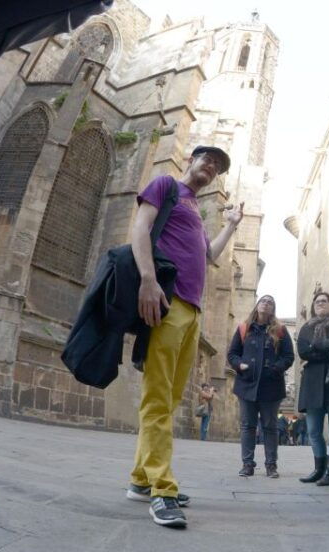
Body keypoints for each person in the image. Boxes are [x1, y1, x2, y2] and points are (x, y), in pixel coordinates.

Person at [124, 145, 241, 529]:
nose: (212, 167)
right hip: (167, 301)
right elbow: (140, 227)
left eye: (219, 166)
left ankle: (141, 479)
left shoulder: (193, 208)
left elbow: (209, 255)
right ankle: (162, 489)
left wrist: (233, 225)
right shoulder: (165, 186)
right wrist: (147, 278)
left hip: (192, 312)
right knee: (158, 396)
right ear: (192, 160)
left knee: (171, 398)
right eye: (207, 159)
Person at [228, 295, 294, 479]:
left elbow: (289, 356)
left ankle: (271, 465)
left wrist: (276, 369)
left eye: (271, 302)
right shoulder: (243, 329)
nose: (266, 303)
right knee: (247, 425)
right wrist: (240, 365)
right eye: (263, 301)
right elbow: (232, 353)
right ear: (257, 306)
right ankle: (247, 464)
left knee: (270, 426)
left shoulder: (280, 330)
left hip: (271, 386)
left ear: (273, 309)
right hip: (247, 384)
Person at [297, 291, 329, 486]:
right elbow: (303, 351)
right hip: (312, 382)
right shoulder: (306, 328)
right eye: (317, 301)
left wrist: (316, 349)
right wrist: (325, 350)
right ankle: (319, 469)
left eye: (324, 301)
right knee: (313, 431)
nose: (320, 304)